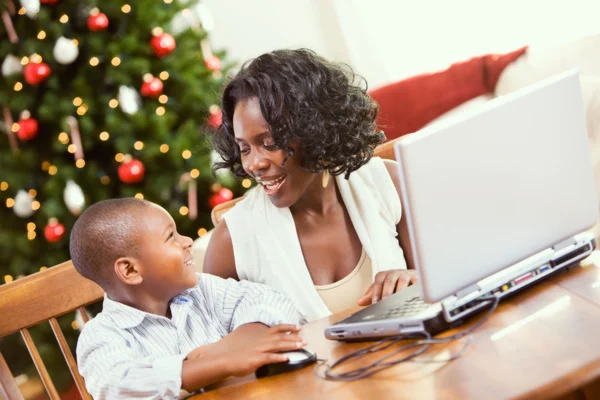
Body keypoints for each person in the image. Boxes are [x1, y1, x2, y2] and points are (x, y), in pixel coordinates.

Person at [204, 49, 417, 323]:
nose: (254, 164)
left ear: (315, 130)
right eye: (244, 148)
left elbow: (448, 281)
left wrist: (415, 281)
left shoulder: (387, 183)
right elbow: (217, 352)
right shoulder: (231, 242)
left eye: (269, 143)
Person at [70, 198, 306, 399]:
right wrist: (216, 363)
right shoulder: (101, 336)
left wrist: (234, 344)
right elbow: (116, 385)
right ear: (130, 271)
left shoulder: (201, 291)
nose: (187, 241)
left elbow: (271, 298)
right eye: (171, 236)